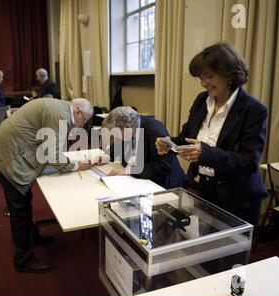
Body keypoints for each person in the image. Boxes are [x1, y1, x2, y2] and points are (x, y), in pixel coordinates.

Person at [155, 42, 268, 226]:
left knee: (229, 253)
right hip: (205, 190)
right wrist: (169, 143)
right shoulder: (202, 101)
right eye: (200, 77)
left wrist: (206, 154)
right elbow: (187, 137)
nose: (203, 83)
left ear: (230, 73)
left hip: (237, 199)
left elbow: (248, 162)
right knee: (206, 249)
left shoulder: (253, 110)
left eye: (209, 76)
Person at [0, 97, 93, 273]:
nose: (81, 126)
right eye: (85, 120)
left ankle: (32, 237)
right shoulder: (61, 114)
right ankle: (23, 259)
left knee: (25, 199)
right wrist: (75, 165)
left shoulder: (60, 109)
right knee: (19, 209)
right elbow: (53, 153)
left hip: (11, 146)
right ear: (78, 111)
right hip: (10, 152)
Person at [101, 107, 186, 189]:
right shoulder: (129, 128)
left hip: (164, 185)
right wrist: (106, 156)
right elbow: (119, 145)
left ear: (127, 127)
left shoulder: (155, 132)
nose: (117, 138)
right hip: (140, 180)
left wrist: (129, 170)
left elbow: (162, 167)